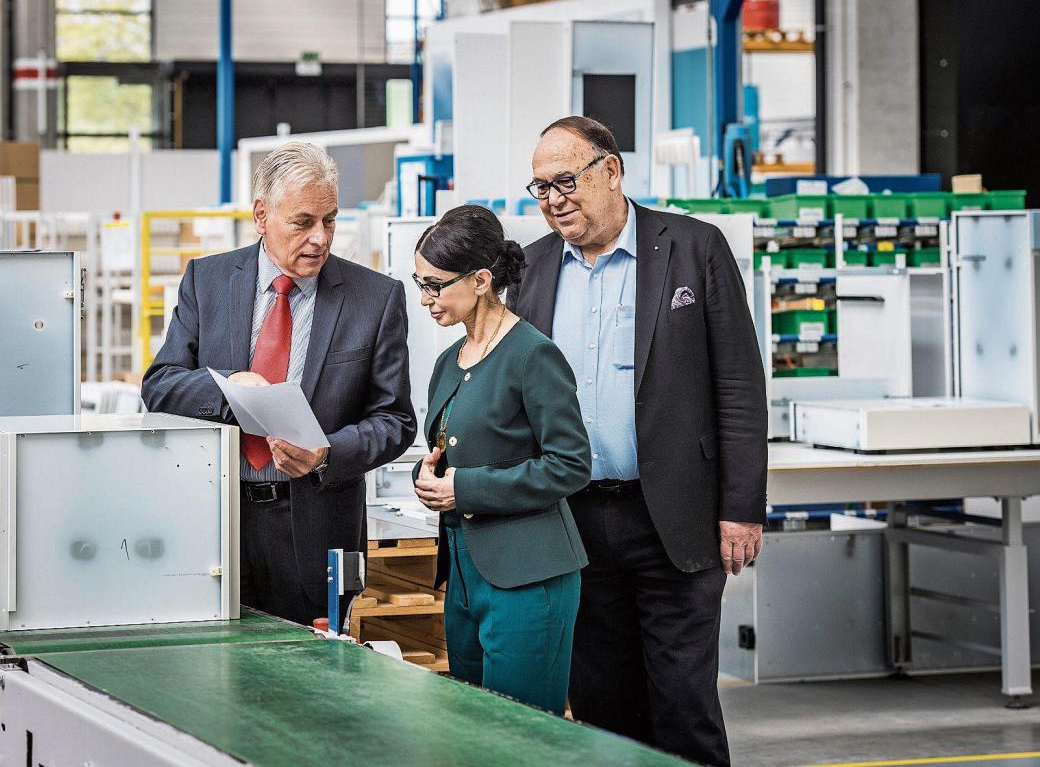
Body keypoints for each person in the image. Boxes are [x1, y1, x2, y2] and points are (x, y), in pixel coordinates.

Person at [509, 117, 767, 765]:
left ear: (611, 170)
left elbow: (738, 384)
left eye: (565, 181)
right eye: (540, 188)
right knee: (600, 709)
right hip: (571, 524)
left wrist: (742, 507)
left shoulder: (693, 248)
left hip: (674, 519)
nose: (554, 199)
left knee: (683, 704)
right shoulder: (532, 268)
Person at [142, 141, 416, 626]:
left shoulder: (374, 299)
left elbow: (395, 420)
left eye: (329, 220)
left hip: (313, 530)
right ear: (261, 215)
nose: (320, 238)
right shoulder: (207, 281)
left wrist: (327, 452)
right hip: (216, 523)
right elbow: (160, 384)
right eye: (303, 222)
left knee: (308, 688)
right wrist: (231, 390)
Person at [411, 204, 592, 715]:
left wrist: (464, 489)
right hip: (465, 575)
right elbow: (449, 446)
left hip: (529, 576)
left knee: (521, 735)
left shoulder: (533, 355)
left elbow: (570, 464)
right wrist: (428, 477)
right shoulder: (451, 360)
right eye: (419, 283)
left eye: (435, 285)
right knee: (474, 728)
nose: (425, 298)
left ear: (482, 279)